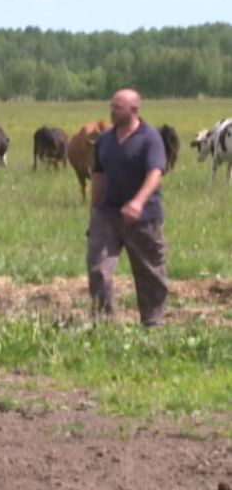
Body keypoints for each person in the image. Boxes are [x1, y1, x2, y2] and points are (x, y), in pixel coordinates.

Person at [87, 89, 168, 326]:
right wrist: (93, 212)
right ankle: (104, 322)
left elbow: (156, 172)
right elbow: (99, 177)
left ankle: (152, 323)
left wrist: (138, 202)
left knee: (150, 273)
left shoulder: (150, 138)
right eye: (111, 106)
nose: (112, 111)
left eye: (117, 107)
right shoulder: (104, 140)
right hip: (108, 214)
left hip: (144, 218)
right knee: (98, 268)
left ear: (134, 110)